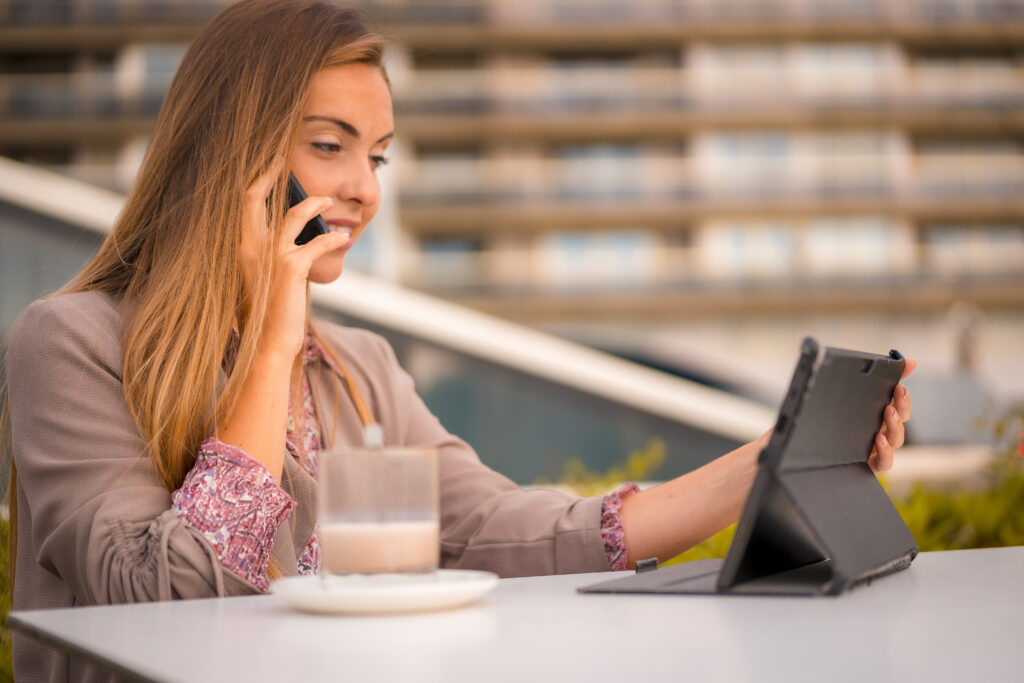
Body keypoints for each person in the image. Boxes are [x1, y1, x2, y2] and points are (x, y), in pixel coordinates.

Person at [1, 1, 914, 680]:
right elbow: (170, 603)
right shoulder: (71, 344)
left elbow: (493, 528)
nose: (365, 188)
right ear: (230, 156)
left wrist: (762, 467)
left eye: (380, 155)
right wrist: (273, 335)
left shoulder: (359, 367)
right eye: (331, 146)